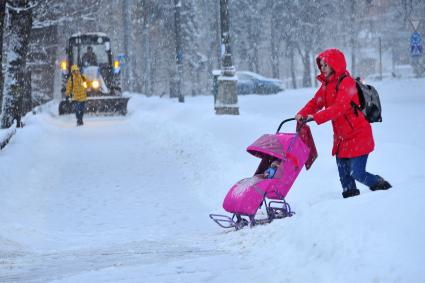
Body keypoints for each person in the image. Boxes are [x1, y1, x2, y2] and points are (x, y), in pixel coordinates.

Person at [295, 48, 391, 199]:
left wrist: (315, 117)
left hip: (358, 135)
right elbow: (316, 102)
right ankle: (349, 201)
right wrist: (303, 112)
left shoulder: (347, 83)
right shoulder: (326, 85)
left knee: (357, 173)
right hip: (341, 139)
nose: (323, 68)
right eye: (321, 65)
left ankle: (379, 184)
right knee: (344, 176)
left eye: (326, 65)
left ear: (335, 64)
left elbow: (339, 108)